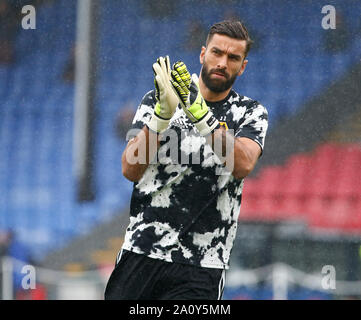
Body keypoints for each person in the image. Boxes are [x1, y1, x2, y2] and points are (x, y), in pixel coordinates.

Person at [105, 20, 268, 300]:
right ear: (203, 54)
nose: (222, 63)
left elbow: (243, 165)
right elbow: (130, 169)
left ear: (243, 67)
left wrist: (201, 115)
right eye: (217, 53)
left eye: (233, 58)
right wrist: (160, 116)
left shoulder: (250, 113)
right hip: (142, 251)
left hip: (202, 263)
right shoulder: (156, 100)